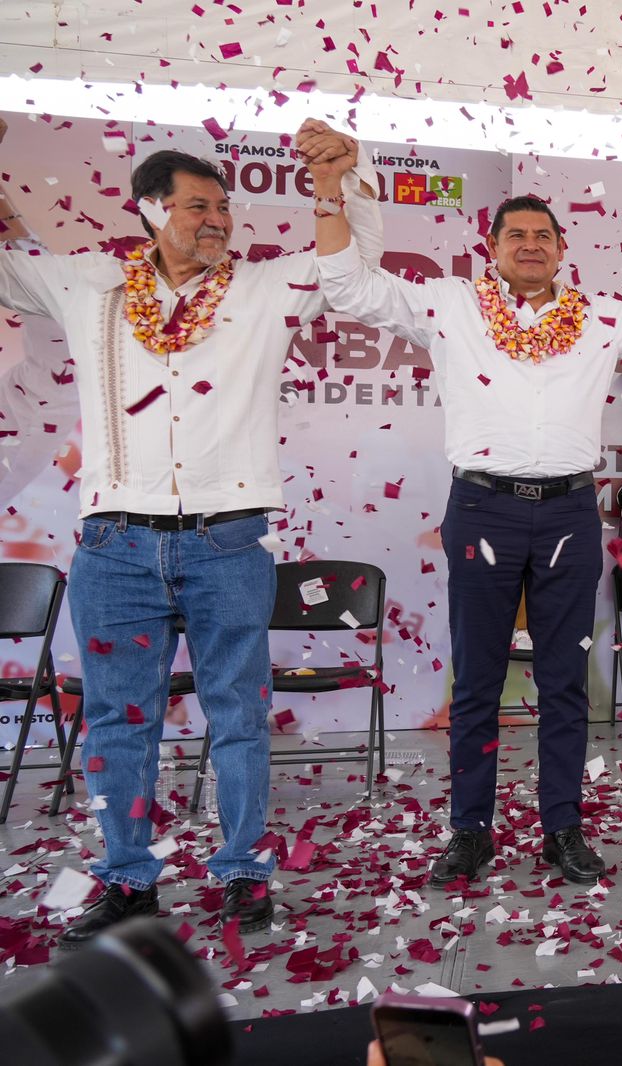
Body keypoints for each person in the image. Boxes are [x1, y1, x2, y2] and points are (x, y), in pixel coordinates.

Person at [0, 120, 382, 944]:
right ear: (149, 208)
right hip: (115, 547)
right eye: (198, 206)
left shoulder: (262, 288)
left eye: (223, 208)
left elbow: (350, 271)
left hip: (226, 541)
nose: (217, 221)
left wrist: (338, 181)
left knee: (238, 715)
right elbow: (5, 268)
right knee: (117, 722)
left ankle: (244, 870)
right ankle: (128, 878)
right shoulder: (89, 282)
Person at [314, 161, 622, 886]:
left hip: (568, 509)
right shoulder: (450, 304)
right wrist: (331, 197)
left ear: (563, 250)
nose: (530, 245)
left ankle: (562, 827)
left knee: (563, 681)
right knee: (477, 679)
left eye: (543, 235)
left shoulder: (599, 315)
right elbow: (350, 288)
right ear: (491, 247)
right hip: (482, 507)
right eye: (516, 235)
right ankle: (469, 830)